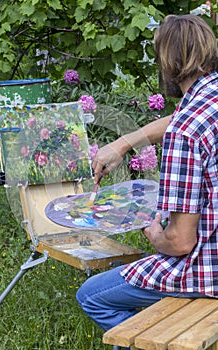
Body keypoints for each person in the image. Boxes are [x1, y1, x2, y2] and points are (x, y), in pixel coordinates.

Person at [76, 14, 218, 335]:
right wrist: (123, 143)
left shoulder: (186, 133)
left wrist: (155, 233)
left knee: (92, 295)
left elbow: (181, 242)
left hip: (207, 272)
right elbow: (180, 117)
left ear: (168, 61)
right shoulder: (208, 99)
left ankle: (156, 340)